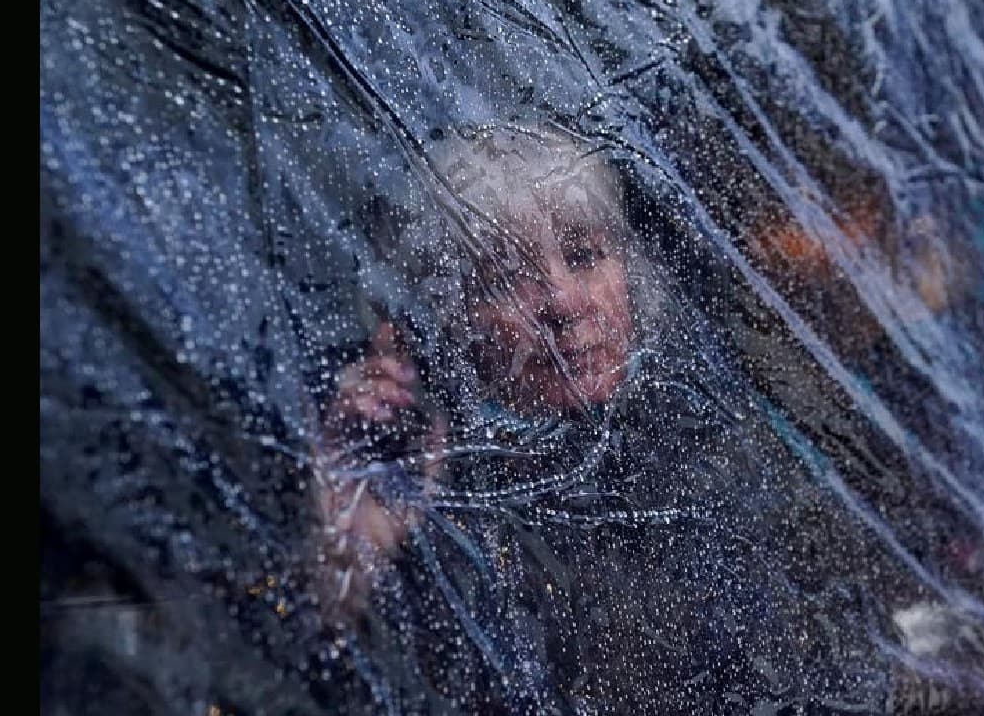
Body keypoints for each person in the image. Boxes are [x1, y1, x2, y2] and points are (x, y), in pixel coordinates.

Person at [307, 124, 906, 714]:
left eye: (585, 255)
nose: (563, 302)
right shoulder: (435, 497)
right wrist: (353, 561)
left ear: (630, 270)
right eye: (507, 277)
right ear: (449, 318)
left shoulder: (717, 420)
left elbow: (858, 638)